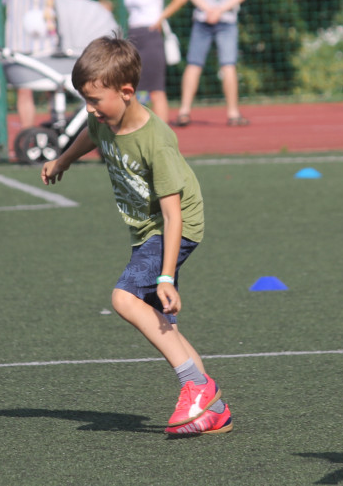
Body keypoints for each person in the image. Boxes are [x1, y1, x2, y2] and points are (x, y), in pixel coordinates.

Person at [40, 36, 232, 436]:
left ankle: (196, 386)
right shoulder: (103, 119)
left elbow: (173, 215)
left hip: (171, 228)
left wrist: (165, 276)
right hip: (147, 231)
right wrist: (63, 160)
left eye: (95, 100)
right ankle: (214, 409)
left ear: (126, 92)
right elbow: (91, 135)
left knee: (124, 298)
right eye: (85, 101)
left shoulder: (155, 140)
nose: (90, 110)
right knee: (165, 326)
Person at [175, 0, 251, 128]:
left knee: (193, 64)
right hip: (226, 20)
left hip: (202, 18)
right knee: (228, 65)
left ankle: (184, 111)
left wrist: (207, 9)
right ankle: (233, 114)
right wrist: (219, 10)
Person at [1, 0, 68, 130]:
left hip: (44, 42)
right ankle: (28, 136)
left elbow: (63, 5)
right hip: (16, 41)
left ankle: (59, 128)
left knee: (53, 86)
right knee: (23, 89)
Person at [122, 0, 188, 122]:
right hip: (133, 36)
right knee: (133, 87)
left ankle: (162, 135)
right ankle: (137, 129)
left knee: (156, 89)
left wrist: (160, 18)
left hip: (150, 37)